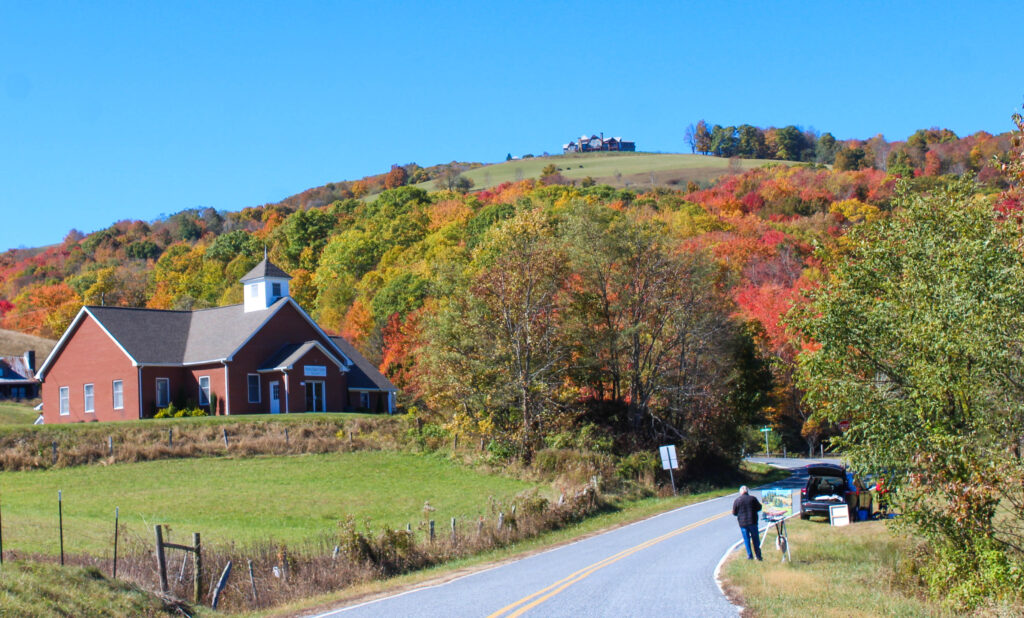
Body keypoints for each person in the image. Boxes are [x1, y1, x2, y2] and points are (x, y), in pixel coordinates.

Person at [732, 485, 762, 560]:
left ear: (740, 492)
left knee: (746, 539)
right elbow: (759, 507)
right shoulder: (753, 499)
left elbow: (734, 512)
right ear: (747, 491)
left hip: (743, 524)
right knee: (755, 539)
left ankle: (749, 555)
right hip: (753, 521)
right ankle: (758, 555)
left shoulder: (737, 500)